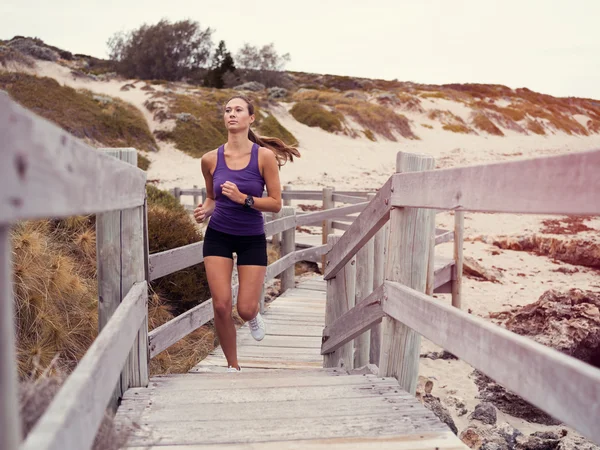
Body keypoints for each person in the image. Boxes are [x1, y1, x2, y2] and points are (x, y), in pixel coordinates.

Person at [193, 95, 300, 373]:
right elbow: (211, 198)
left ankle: (253, 317)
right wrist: (205, 210)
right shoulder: (209, 159)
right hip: (218, 235)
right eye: (227, 110)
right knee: (220, 304)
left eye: (238, 110)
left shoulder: (263, 157)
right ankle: (233, 366)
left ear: (250, 118)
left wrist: (245, 199)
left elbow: (276, 204)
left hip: (251, 237)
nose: (231, 114)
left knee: (245, 309)